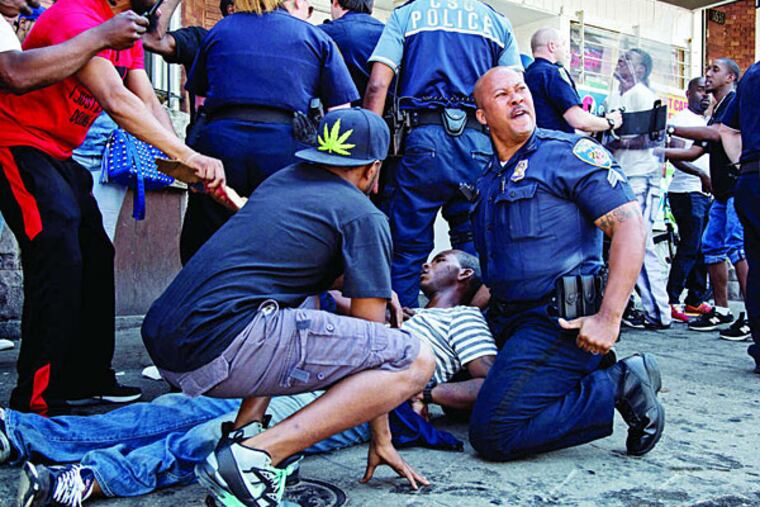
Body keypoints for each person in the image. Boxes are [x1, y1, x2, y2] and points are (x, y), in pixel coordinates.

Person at [6, 249, 496, 505]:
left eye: (442, 260)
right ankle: (23, 431)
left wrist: (427, 391)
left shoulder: (464, 323)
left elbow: (485, 386)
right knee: (175, 409)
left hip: (345, 400)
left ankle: (85, 481)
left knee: (209, 440)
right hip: (306, 371)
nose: (428, 265)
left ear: (465, 277)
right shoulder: (404, 310)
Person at [142, 108, 435, 506]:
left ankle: (245, 435)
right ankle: (253, 458)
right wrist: (381, 437)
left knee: (291, 298)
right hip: (220, 344)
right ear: (373, 170)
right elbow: (376, 350)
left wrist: (370, 283)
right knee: (415, 358)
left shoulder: (281, 183)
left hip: (168, 339)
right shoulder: (362, 215)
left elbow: (289, 268)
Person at [0, 0, 224, 415]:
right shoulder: (77, 16)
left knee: (97, 253)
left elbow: (149, 104)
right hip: (17, 143)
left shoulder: (126, 32)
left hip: (59, 152)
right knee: (58, 252)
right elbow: (116, 100)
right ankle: (33, 401)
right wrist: (192, 159)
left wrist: (186, 162)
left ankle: (86, 378)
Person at [467, 66, 664, 461]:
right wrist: (462, 318)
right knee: (456, 392)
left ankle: (621, 381)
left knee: (494, 432)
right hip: (508, 320)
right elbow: (504, 263)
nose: (518, 98)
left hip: (559, 320)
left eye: (521, 90)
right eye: (503, 95)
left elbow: (629, 227)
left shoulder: (569, 154)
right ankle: (583, 374)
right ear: (482, 116)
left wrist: (609, 318)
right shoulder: (489, 177)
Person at [363, 0, 522, 308]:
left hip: (422, 143)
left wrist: (372, 157)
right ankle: (469, 336)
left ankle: (402, 337)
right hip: (478, 145)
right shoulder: (497, 22)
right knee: (473, 250)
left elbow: (377, 85)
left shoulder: (407, 14)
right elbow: (513, 93)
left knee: (407, 249)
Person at [178, 0, 358, 264]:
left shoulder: (220, 30)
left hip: (220, 144)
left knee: (209, 236)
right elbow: (341, 113)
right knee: (281, 235)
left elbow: (200, 103)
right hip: (285, 147)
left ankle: (201, 296)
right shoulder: (314, 36)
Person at [664, 58, 751, 341]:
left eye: (715, 70)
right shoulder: (714, 113)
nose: (708, 74)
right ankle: (722, 309)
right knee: (713, 248)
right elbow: (692, 153)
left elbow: (716, 134)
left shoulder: (734, 102)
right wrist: (655, 152)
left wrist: (671, 129)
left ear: (731, 77)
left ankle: (752, 316)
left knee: (737, 250)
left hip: (737, 189)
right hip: (720, 194)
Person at [605, 48, 671, 330]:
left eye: (627, 60)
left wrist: (616, 142)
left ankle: (658, 311)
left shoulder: (642, 95)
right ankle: (641, 307)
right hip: (624, 176)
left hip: (642, 177)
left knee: (639, 245)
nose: (619, 63)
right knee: (623, 244)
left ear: (640, 69)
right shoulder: (617, 96)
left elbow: (651, 139)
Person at [0, 0, 148, 94]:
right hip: (20, 136)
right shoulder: (74, 14)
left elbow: (148, 103)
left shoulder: (124, 27)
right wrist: (102, 37)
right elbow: (15, 74)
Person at [718, 59, 760, 371]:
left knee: (757, 264)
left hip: (750, 178)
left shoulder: (752, 75)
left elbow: (727, 129)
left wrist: (741, 164)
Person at [665, 77, 712, 323]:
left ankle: (695, 299)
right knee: (689, 246)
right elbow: (675, 156)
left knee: (704, 248)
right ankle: (671, 299)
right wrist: (701, 174)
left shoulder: (708, 122)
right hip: (686, 192)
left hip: (706, 194)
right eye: (700, 90)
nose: (705, 95)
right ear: (688, 92)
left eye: (708, 91)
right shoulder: (681, 120)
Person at [525, 27, 622, 134]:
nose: (567, 50)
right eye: (563, 44)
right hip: (554, 146)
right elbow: (578, 120)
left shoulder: (526, 75)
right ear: (552, 46)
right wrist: (610, 122)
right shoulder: (553, 73)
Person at [319, 0, 384, 104]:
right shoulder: (388, 33)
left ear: (335, 2)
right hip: (384, 115)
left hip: (337, 115)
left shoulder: (321, 33)